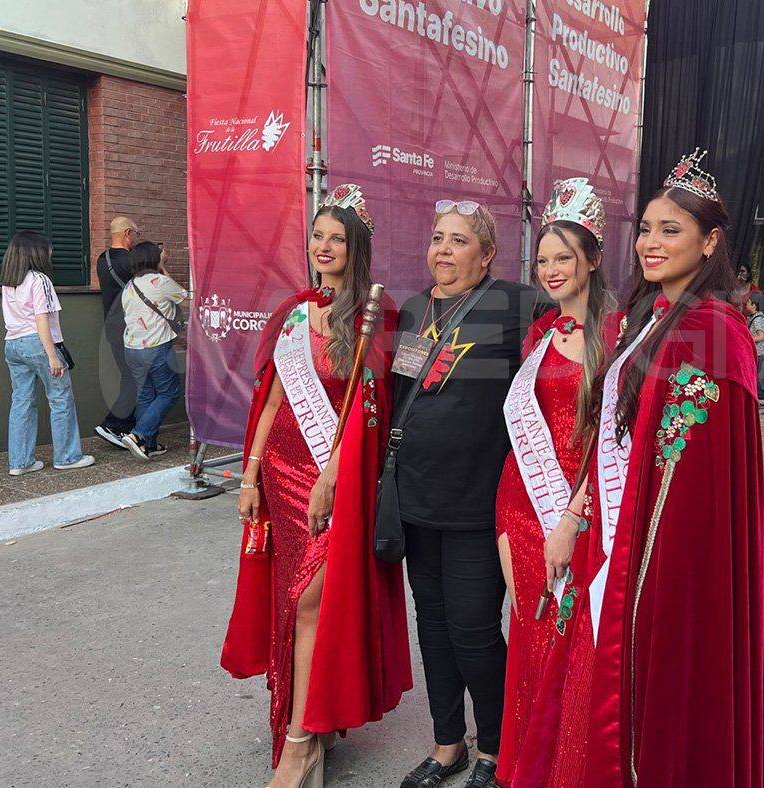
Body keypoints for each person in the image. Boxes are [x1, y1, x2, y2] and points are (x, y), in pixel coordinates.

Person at [585, 149, 764, 787]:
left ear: (710, 241)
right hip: (628, 533)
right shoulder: (647, 319)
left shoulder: (716, 330)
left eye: (670, 230)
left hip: (670, 554)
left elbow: (692, 481)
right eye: (645, 228)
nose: (649, 242)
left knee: (664, 681)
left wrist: (654, 564)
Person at [222, 186, 411, 788]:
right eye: (318, 236)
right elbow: (274, 395)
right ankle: (306, 731)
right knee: (293, 602)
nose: (324, 247)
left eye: (337, 238)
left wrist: (333, 475)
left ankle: (302, 743)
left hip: (337, 477)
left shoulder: (378, 316)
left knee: (314, 599)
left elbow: (372, 410)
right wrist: (249, 474)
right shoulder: (296, 311)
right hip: (281, 469)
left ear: (357, 248)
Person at [394, 200, 530, 788]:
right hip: (416, 500)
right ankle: (447, 743)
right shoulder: (411, 310)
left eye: (457, 241)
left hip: (479, 502)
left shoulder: (519, 305)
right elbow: (400, 395)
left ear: (487, 254)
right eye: (436, 238)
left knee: (475, 628)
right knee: (433, 625)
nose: (443, 251)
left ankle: (495, 748)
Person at [494, 180, 617, 788]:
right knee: (529, 644)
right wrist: (503, 528)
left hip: (581, 514)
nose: (550, 270)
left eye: (564, 257)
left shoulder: (618, 335)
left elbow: (611, 442)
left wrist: (571, 516)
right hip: (521, 507)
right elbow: (524, 435)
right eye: (542, 260)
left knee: (575, 651)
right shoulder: (539, 334)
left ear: (593, 259)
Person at [0, 231, 95, 475]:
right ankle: (67, 456)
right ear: (36, 253)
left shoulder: (9, 281)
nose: (50, 253)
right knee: (61, 399)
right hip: (39, 344)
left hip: (13, 343)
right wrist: (53, 356)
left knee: (22, 401)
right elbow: (41, 319)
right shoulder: (40, 280)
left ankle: (20, 462)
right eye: (47, 249)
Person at [119, 242, 189, 461]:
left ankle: (149, 445)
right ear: (154, 258)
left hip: (132, 348)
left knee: (146, 395)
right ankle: (138, 435)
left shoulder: (130, 286)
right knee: (168, 393)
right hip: (156, 347)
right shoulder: (160, 281)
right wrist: (164, 268)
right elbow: (186, 297)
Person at [94, 216, 140, 447]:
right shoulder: (131, 261)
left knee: (130, 376)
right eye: (136, 234)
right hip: (132, 328)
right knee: (135, 378)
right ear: (128, 233)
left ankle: (127, 426)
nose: (136, 239)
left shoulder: (103, 259)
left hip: (111, 326)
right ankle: (114, 424)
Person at [745, 290, 764, 405]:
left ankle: (759, 397)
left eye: (748, 303)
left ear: (754, 306)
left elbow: (761, 336)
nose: (746, 305)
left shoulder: (759, 319)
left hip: (758, 352)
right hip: (755, 352)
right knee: (753, 374)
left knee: (754, 374)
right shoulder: (753, 317)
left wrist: (746, 339)